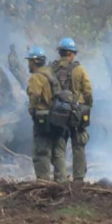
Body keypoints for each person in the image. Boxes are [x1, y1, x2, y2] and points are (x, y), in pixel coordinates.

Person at [50, 37, 94, 183]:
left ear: (60, 52)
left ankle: (60, 179)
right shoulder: (79, 70)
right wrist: (88, 106)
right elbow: (87, 91)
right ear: (72, 53)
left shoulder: (52, 69)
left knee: (59, 146)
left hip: (58, 112)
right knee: (78, 145)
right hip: (77, 112)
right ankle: (79, 179)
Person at [26, 47, 66, 182]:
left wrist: (31, 108)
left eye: (30, 61)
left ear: (34, 61)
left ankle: (43, 183)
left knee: (41, 151)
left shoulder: (36, 77)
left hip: (43, 118)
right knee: (58, 152)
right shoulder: (50, 74)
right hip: (57, 117)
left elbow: (35, 94)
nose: (28, 64)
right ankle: (61, 182)